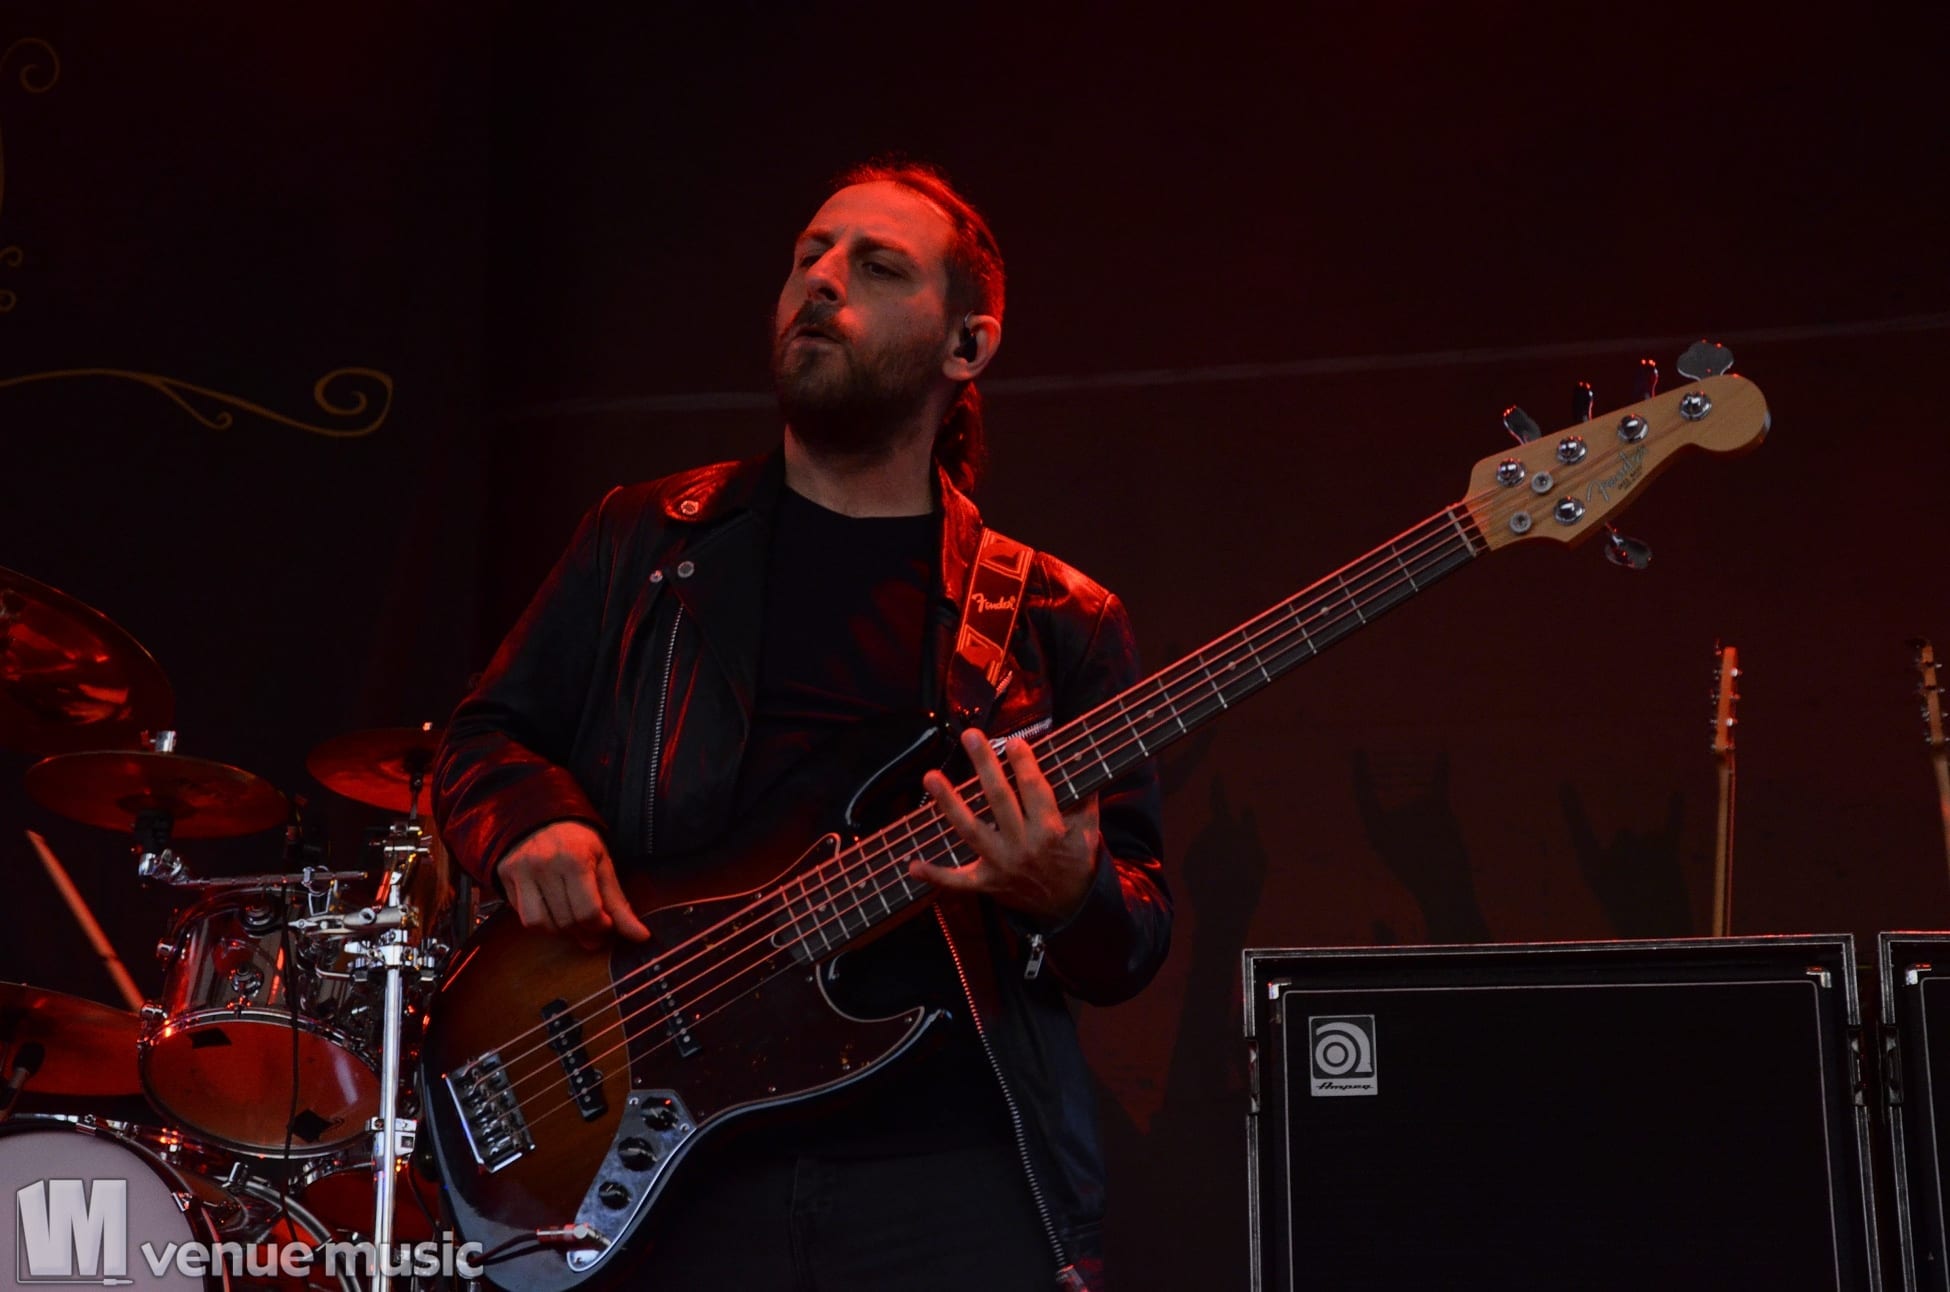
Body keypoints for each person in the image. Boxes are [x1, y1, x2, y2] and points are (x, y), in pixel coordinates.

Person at [433, 159, 1170, 1291]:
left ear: (967, 346)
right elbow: (481, 735)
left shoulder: (1055, 618)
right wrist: (533, 819)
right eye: (808, 256)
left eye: (877, 267)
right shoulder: (648, 540)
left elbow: (1134, 935)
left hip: (946, 1170)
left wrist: (1070, 891)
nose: (821, 281)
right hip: (667, 1164)